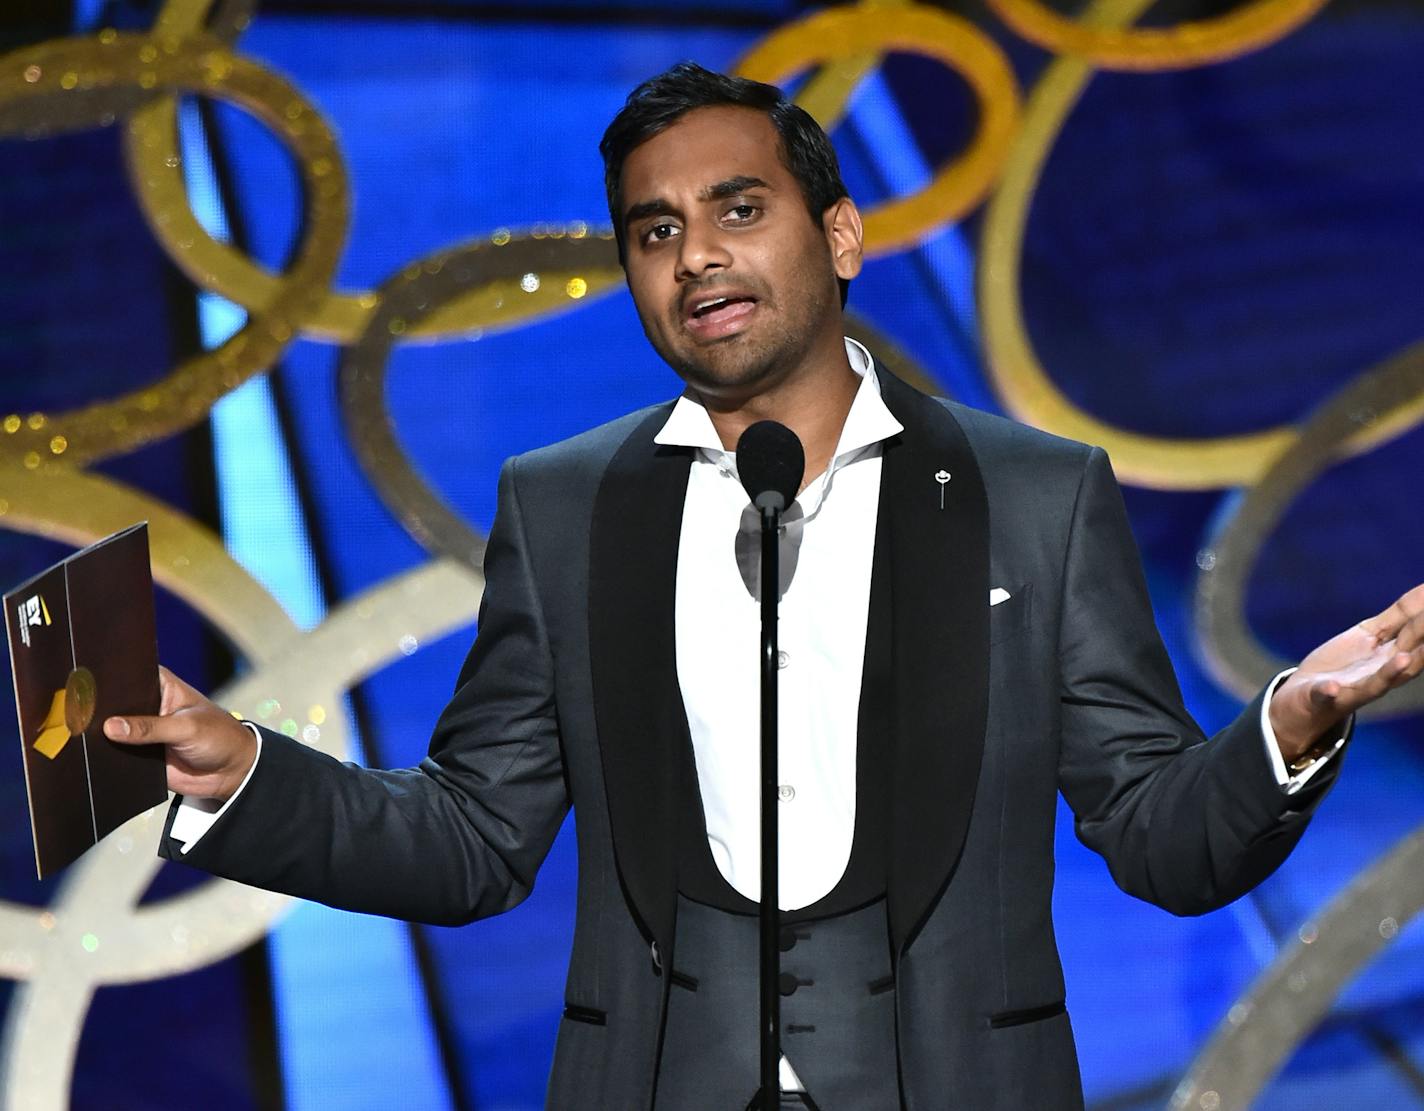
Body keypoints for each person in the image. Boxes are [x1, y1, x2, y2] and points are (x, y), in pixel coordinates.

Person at [103, 64, 1424, 1110]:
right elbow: (470, 843)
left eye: (740, 210)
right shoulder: (565, 507)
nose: (696, 258)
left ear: (840, 235)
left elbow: (1159, 834)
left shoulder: (1033, 495)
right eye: (654, 231)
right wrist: (246, 778)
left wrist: (1294, 719)